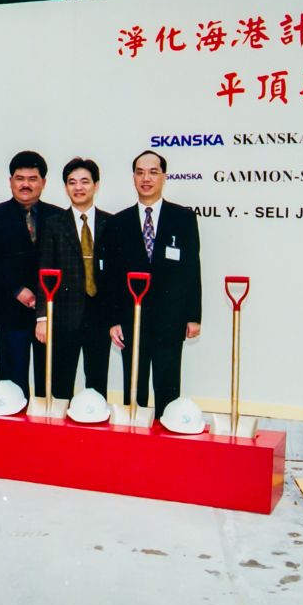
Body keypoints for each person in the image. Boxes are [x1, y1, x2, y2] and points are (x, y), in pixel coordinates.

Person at [107, 150, 202, 417]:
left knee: (168, 388)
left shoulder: (183, 218)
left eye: (153, 172)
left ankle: (167, 444)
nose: (146, 178)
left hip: (170, 319)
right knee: (134, 390)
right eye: (140, 172)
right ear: (133, 178)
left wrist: (193, 316)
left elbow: (192, 269)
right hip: (131, 319)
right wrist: (114, 319)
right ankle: (134, 445)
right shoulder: (119, 222)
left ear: (164, 177)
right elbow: (113, 277)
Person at [0, 150, 63, 399]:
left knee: (48, 383)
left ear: (43, 183)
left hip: (48, 312)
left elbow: (63, 264)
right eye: (19, 178)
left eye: (32, 178)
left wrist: (43, 296)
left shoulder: (58, 216)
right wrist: (17, 289)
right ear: (10, 181)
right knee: (13, 385)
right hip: (10, 310)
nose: (25, 184)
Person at [34, 158, 111, 399]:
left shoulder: (113, 223)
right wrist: (42, 317)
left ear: (96, 185)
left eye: (84, 182)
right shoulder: (53, 224)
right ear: (66, 187)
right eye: (72, 182)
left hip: (100, 316)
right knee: (60, 384)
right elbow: (43, 271)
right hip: (63, 316)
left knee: (98, 382)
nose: (78, 188)